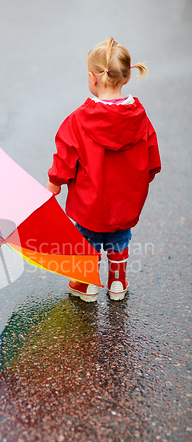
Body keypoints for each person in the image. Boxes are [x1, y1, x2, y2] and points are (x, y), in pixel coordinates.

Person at [46, 37, 161, 302]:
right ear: (127, 77)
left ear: (92, 78)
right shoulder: (139, 117)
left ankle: (87, 285)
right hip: (126, 200)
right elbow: (152, 157)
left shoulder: (79, 119)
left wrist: (54, 183)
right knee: (120, 238)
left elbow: (65, 154)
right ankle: (117, 282)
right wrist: (138, 181)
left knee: (87, 240)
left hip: (90, 201)